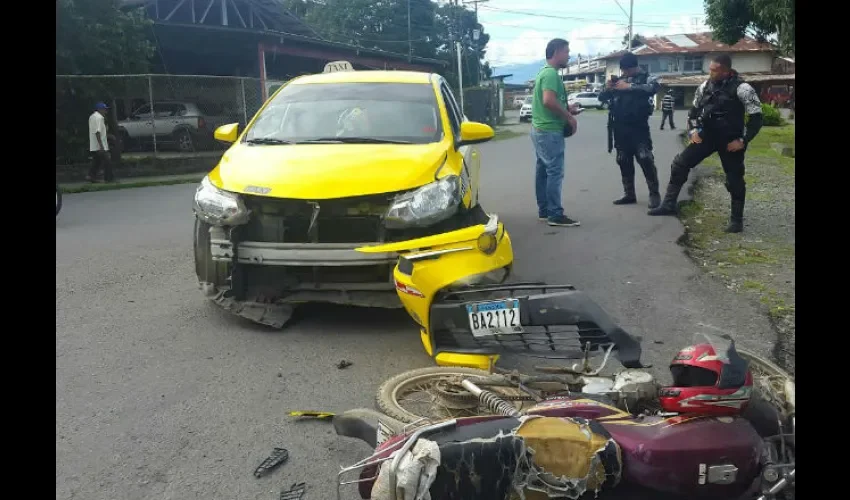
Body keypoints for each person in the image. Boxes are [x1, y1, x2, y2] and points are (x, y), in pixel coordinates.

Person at [648, 54, 763, 234]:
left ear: (726, 70)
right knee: (680, 163)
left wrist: (742, 140)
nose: (710, 72)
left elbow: (756, 118)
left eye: (714, 70)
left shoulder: (743, 88)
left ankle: (736, 220)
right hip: (706, 136)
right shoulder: (704, 86)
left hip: (730, 140)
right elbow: (693, 112)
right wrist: (693, 130)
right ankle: (668, 204)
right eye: (710, 69)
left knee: (734, 180)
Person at [598, 52, 662, 208]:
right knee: (623, 159)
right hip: (620, 127)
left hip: (638, 126)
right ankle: (629, 194)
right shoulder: (619, 81)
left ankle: (654, 194)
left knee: (645, 157)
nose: (625, 73)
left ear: (634, 67)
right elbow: (601, 98)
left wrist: (630, 86)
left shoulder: (647, 78)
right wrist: (607, 88)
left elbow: (654, 88)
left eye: (627, 70)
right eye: (623, 70)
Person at [531, 38, 581, 227]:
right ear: (557, 52)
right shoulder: (551, 74)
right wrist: (569, 116)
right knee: (554, 171)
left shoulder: (544, 73)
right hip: (549, 131)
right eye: (567, 52)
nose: (568, 55)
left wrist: (568, 107)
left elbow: (550, 101)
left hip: (540, 130)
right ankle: (554, 214)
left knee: (543, 171)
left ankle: (545, 211)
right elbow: (548, 101)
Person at [87, 102, 114, 183]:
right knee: (107, 161)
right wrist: (101, 145)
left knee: (97, 161)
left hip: (94, 144)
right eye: (104, 109)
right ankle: (109, 179)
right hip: (100, 145)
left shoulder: (92, 117)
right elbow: (97, 132)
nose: (106, 111)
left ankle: (91, 176)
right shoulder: (99, 118)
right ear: (99, 109)